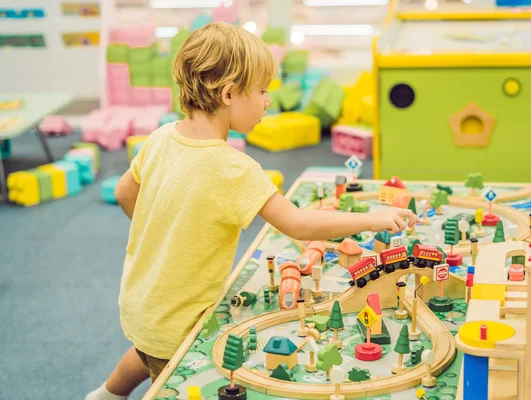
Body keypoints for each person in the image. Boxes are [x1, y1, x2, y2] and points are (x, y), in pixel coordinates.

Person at [85, 22, 418, 400]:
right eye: (262, 91)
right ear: (228, 94)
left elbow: (126, 192)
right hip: (179, 320)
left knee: (146, 352)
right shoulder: (234, 168)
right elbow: (297, 223)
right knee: (172, 375)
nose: (268, 101)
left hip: (140, 301)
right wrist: (373, 218)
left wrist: (162, 230)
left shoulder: (160, 137)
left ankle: (106, 395)